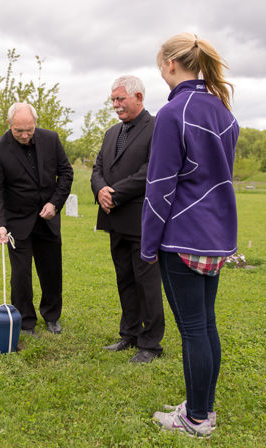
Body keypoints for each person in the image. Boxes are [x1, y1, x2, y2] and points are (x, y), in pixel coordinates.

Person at [141, 33, 239, 438]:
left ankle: (196, 419)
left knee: (194, 330)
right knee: (205, 325)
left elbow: (160, 185)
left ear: (170, 64)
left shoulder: (172, 112)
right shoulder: (222, 110)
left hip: (182, 235)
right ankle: (203, 407)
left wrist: (148, 243)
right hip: (216, 235)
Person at [91, 75, 165, 364]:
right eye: (113, 99)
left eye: (120, 99)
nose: (115, 104)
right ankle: (129, 334)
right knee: (124, 279)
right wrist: (100, 189)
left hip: (142, 220)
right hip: (115, 220)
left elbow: (151, 171)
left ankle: (150, 344)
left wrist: (115, 193)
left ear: (139, 98)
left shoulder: (156, 127)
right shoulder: (112, 133)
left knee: (147, 283)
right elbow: (98, 167)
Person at [0, 102, 74, 335]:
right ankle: (25, 321)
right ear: (9, 124)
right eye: (19, 131)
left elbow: (66, 173)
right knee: (21, 275)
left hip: (47, 220)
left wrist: (55, 203)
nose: (25, 135)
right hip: (17, 222)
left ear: (35, 123)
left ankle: (52, 316)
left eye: (29, 130)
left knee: (51, 271)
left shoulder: (51, 139)